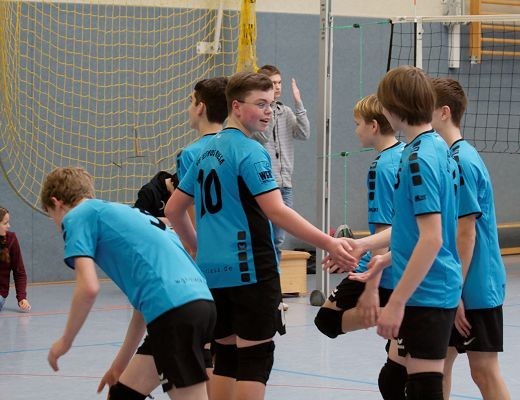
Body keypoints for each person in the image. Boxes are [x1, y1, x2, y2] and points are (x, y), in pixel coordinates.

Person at [165, 71, 356, 400]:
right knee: (255, 358)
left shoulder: (206, 151)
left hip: (213, 272)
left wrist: (198, 248)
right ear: (236, 107)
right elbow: (277, 211)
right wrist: (328, 243)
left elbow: (173, 209)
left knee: (226, 356)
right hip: (251, 269)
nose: (269, 111)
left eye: (271, 104)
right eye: (261, 104)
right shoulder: (251, 151)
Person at [327, 66, 462, 400]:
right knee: (409, 384)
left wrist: (396, 301)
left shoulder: (418, 158)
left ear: (392, 107)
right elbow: (411, 228)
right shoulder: (434, 147)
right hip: (430, 285)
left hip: (427, 289)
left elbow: (432, 237)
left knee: (422, 388)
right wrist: (373, 253)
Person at [40, 167, 216, 400]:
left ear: (57, 202)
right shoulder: (125, 214)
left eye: (51, 215)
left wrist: (64, 342)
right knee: (121, 394)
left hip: (175, 313)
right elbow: (142, 310)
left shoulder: (77, 215)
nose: (57, 225)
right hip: (198, 304)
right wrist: (119, 366)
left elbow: (88, 287)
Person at [430, 77, 510, 400]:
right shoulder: (451, 157)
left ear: (444, 112)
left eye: (427, 108)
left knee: (483, 371)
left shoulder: (462, 161)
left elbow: (467, 233)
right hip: (458, 283)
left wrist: (456, 291)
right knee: (438, 366)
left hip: (475, 286)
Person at [314, 94, 404, 340]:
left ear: (373, 126)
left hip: (385, 265)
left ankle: (410, 315)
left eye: (358, 124)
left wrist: (372, 283)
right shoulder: (406, 153)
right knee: (397, 354)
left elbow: (384, 228)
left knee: (327, 320)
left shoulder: (382, 167)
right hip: (400, 259)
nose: (356, 131)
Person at [252, 64, 310, 253]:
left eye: (279, 83)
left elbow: (304, 133)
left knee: (279, 238)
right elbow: (264, 136)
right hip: (266, 183)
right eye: (272, 83)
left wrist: (298, 103)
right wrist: (267, 108)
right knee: (265, 236)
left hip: (285, 184)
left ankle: (275, 270)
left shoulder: (285, 111)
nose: (277, 87)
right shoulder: (257, 114)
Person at [176, 77, 229, 226]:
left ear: (200, 107)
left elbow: (192, 212)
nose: (188, 109)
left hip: (208, 234)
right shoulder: (237, 146)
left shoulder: (189, 154)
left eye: (191, 101)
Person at [0, 207, 31, 313]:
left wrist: (22, 297)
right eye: (5, 223)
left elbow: (19, 272)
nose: (9, 226)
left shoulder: (11, 239)